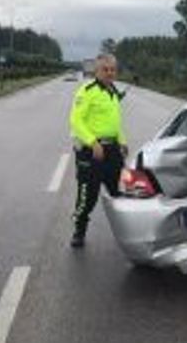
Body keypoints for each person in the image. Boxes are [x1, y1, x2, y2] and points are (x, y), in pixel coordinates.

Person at [68, 53, 128, 248]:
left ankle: (127, 233)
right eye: (106, 69)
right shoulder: (87, 91)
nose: (110, 73)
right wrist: (93, 142)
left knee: (119, 194)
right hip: (91, 152)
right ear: (96, 70)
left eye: (113, 69)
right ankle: (79, 230)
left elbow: (115, 122)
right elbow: (76, 120)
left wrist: (122, 141)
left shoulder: (113, 91)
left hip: (112, 151)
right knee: (88, 196)